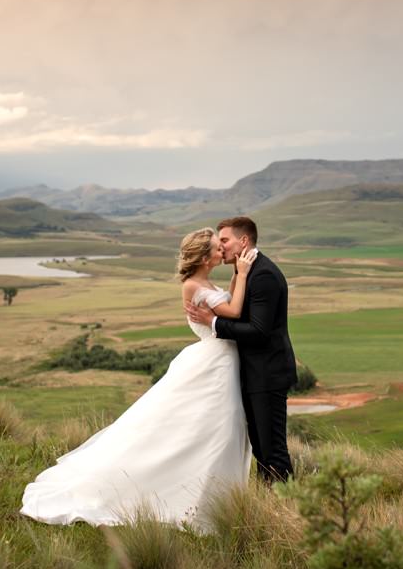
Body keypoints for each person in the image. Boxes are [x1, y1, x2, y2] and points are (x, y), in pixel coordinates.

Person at [20, 227, 257, 527]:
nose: (221, 249)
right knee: (209, 428)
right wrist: (245, 274)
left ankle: (217, 499)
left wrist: (237, 272)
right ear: (202, 256)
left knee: (219, 429)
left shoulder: (206, 281)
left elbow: (227, 303)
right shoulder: (192, 286)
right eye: (216, 246)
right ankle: (192, 500)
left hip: (222, 362)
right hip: (214, 364)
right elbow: (234, 311)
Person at [184, 216, 298, 484]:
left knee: (273, 449)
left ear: (243, 241)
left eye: (224, 240)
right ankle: (272, 505)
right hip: (253, 373)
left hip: (267, 374)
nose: (221, 247)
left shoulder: (264, 275)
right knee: (261, 448)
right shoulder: (247, 272)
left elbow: (259, 331)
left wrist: (212, 322)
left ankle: (287, 508)